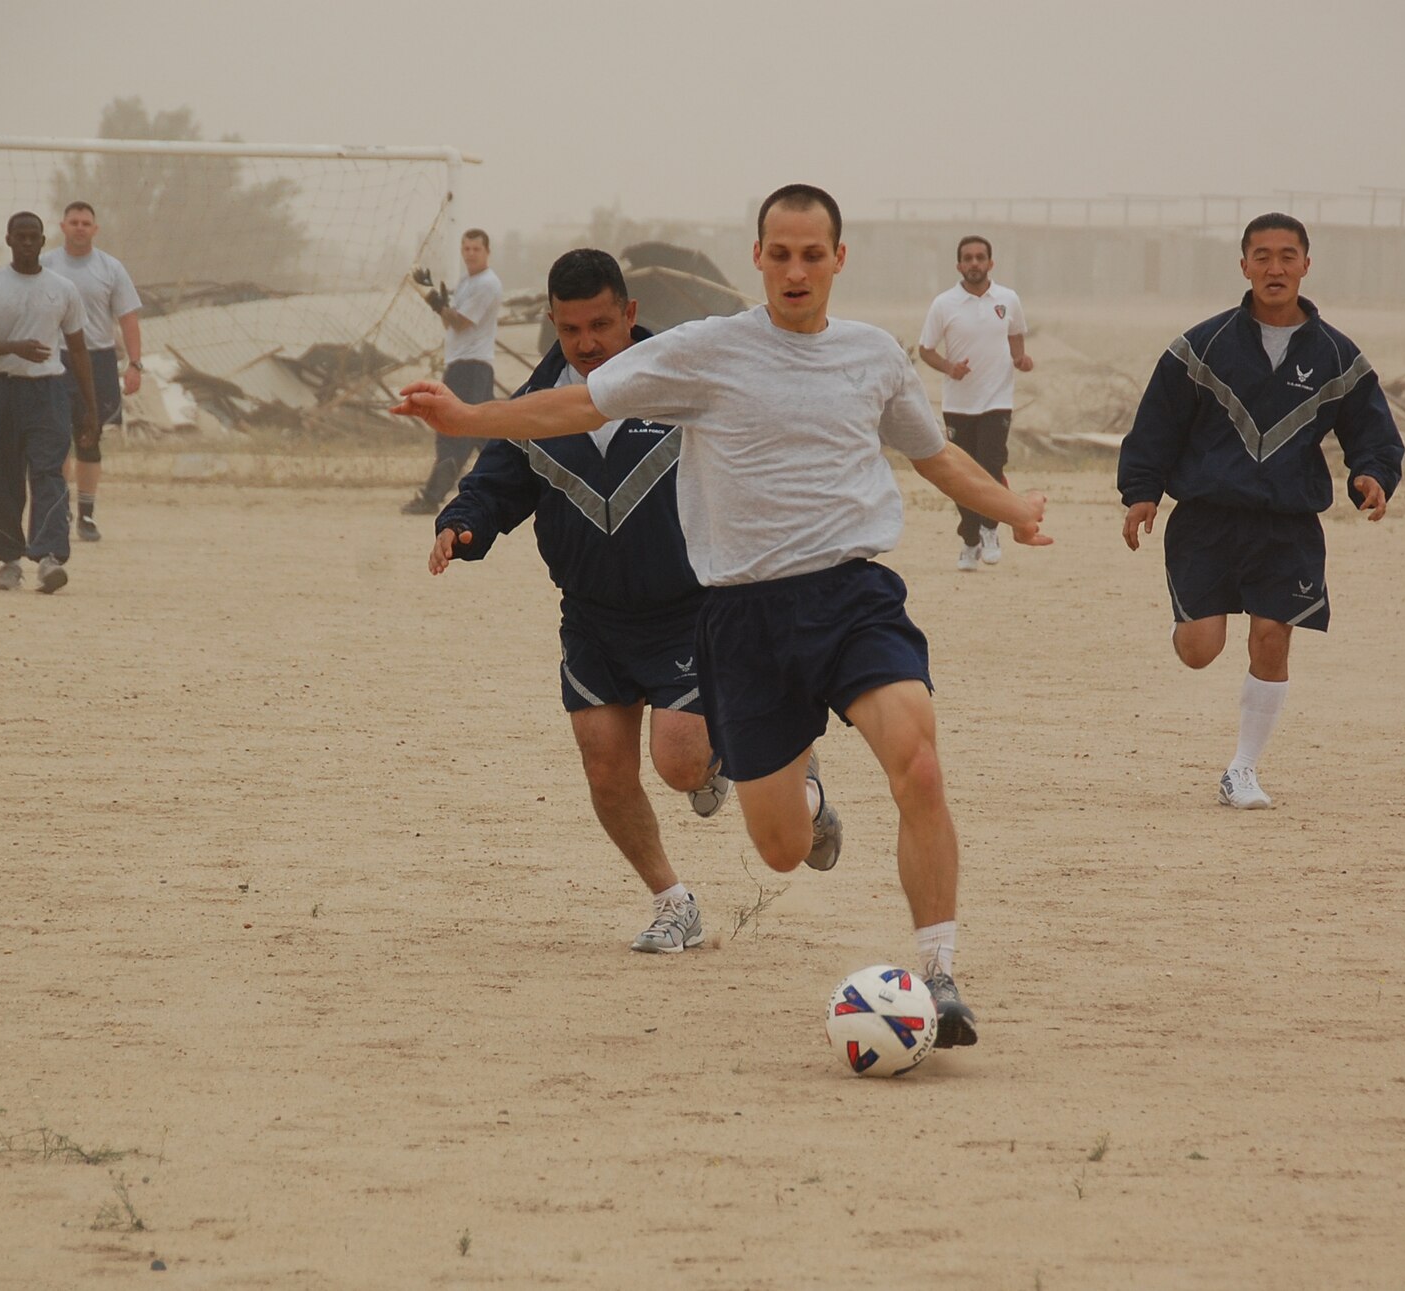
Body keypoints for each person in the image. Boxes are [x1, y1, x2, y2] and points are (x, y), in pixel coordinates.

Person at [394, 185, 1053, 1049]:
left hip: (854, 596)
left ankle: (939, 973)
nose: (795, 269)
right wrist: (468, 417)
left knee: (918, 763)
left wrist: (1012, 510)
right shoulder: (705, 352)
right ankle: (798, 793)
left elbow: (935, 456)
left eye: (812, 253)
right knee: (779, 847)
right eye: (780, 253)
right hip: (742, 619)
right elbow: (577, 403)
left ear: (838, 259)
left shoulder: (874, 356)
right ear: (759, 258)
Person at [431, 248, 730, 954]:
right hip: (593, 616)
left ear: (630, 314)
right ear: (553, 326)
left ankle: (744, 753)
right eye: (572, 330)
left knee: (681, 762)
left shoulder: (683, 383)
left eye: (602, 323)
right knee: (603, 764)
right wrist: (461, 523)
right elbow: (496, 478)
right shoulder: (537, 406)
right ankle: (672, 901)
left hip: (686, 608)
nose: (590, 343)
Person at [1116, 212, 1403, 809]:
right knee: (1201, 650)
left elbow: (1371, 430)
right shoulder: (1201, 346)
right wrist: (1142, 491)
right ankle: (1188, 622)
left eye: (1288, 255)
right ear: (1243, 265)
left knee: (1272, 636)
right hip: (1206, 518)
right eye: (1263, 256)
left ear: (1306, 264)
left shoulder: (1336, 356)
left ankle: (1242, 769)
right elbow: (1156, 426)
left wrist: (1373, 475)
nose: (1276, 267)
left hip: (1287, 523)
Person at [0, 212, 99, 594]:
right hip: (5, 390)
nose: (27, 243)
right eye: (20, 237)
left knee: (48, 472)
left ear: (44, 242)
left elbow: (77, 350)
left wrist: (90, 408)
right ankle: (8, 562)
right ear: (8, 240)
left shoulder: (62, 288)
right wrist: (15, 348)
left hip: (49, 392)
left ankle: (48, 558)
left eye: (34, 238)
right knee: (3, 473)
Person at [918, 235, 1031, 570]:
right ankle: (969, 539)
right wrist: (950, 368)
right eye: (967, 258)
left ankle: (990, 529)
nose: (974, 264)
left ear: (990, 263)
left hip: (997, 399)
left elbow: (1016, 332)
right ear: (958, 265)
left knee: (991, 464)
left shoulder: (1007, 299)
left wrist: (1020, 358)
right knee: (962, 476)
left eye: (980, 257)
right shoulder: (944, 304)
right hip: (959, 404)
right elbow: (926, 349)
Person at [41, 201, 142, 543]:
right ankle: (58, 510)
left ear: (95, 229)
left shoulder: (111, 268)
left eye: (86, 222)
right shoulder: (45, 265)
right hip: (56, 358)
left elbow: (128, 317)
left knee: (89, 437)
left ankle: (86, 515)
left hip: (97, 359)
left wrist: (135, 363)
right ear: (63, 226)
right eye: (74, 222)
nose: (80, 227)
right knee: (56, 439)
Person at [401, 228, 502, 515]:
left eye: (476, 249)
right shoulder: (468, 281)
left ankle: (431, 497)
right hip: (467, 364)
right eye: (466, 248)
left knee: (453, 430)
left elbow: (460, 323)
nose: (470, 253)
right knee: (486, 435)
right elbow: (451, 322)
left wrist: (431, 298)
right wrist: (440, 301)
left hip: (470, 367)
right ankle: (526, 482)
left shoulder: (487, 283)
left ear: (487, 252)